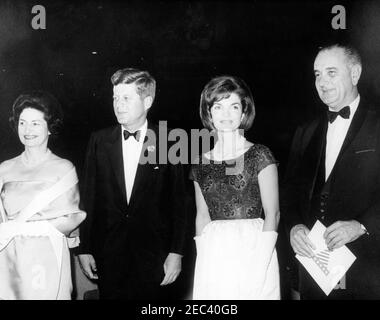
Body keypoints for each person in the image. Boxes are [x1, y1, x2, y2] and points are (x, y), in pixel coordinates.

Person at [77, 68, 190, 299]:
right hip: (108, 255)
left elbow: (181, 202)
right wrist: (84, 249)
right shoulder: (99, 140)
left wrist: (176, 252)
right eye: (115, 98)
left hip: (155, 255)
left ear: (147, 100)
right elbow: (88, 198)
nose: (118, 105)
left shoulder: (170, 141)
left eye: (126, 98)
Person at [282, 43, 380, 299]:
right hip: (315, 269)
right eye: (317, 74)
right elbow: (290, 192)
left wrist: (361, 226)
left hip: (368, 268)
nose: (322, 82)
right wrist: (294, 227)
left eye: (331, 72)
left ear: (355, 74)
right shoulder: (305, 132)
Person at [190, 75, 280, 299]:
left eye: (234, 106)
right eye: (218, 107)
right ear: (209, 113)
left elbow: (273, 213)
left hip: (254, 247)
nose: (226, 114)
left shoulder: (259, 154)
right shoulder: (200, 163)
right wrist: (204, 260)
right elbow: (202, 216)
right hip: (214, 253)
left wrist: (260, 264)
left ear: (244, 112)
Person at [0, 91, 86, 300]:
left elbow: (72, 218)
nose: (28, 130)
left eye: (36, 123)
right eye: (22, 123)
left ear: (50, 128)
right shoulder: (4, 168)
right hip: (9, 256)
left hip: (47, 257)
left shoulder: (64, 168)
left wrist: (24, 228)